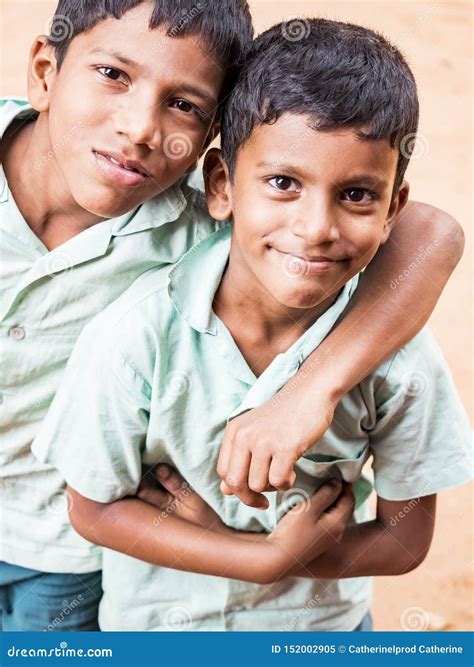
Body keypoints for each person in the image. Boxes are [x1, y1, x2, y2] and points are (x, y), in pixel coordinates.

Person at [33, 18, 472, 632]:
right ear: (220, 185)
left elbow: (403, 542)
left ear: (393, 206)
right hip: (157, 633)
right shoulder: (137, 334)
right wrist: (258, 559)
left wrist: (283, 558)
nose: (316, 226)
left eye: (356, 195)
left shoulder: (398, 355)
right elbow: (95, 510)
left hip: (323, 637)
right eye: (283, 183)